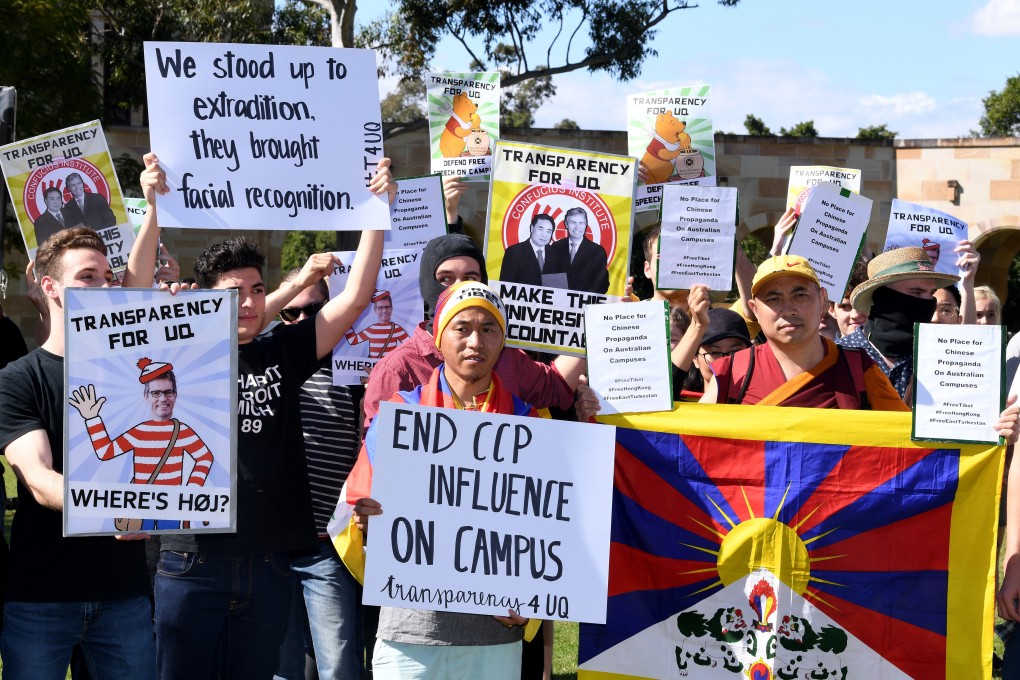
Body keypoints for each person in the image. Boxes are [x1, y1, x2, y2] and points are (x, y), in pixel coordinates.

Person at [136, 152, 394, 680]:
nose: (251, 303)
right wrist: (154, 207)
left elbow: (356, 297)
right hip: (191, 561)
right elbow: (132, 297)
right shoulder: (179, 352)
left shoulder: (284, 349)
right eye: (235, 294)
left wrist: (377, 211)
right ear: (204, 298)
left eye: (258, 290)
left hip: (271, 562)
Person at [342, 282, 533, 680]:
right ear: (439, 338)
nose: (475, 341)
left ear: (502, 342)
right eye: (462, 328)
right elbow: (354, 510)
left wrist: (533, 603)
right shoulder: (400, 417)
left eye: (489, 329)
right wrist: (366, 520)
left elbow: (547, 532)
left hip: (495, 637)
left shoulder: (530, 424)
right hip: (411, 632)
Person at [0, 227, 155, 680]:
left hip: (125, 594)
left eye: (108, 277)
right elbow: (38, 477)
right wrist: (117, 508)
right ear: (50, 287)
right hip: (41, 597)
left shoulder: (137, 376)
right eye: (87, 277)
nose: (104, 286)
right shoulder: (18, 379)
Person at [362, 233, 586, 431]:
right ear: (427, 284)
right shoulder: (396, 369)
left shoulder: (505, 356)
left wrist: (594, 323)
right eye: (445, 279)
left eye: (470, 278)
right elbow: (379, 451)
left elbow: (554, 386)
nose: (458, 287)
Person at [271, 268, 366, 680]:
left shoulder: (355, 373)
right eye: (289, 312)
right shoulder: (265, 365)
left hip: (326, 544)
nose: (302, 319)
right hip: (270, 548)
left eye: (314, 309)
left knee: (339, 663)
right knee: (279, 667)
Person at [700, 255, 909, 410]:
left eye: (800, 295)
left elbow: (903, 443)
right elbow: (694, 443)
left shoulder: (858, 368)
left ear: (822, 301)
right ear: (754, 310)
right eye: (773, 299)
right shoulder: (732, 372)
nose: (789, 309)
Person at [67, 358, 214, 531]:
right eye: (156, 393)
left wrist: (192, 489)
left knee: (171, 538)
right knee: (145, 542)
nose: (163, 398)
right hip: (142, 507)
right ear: (146, 396)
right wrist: (92, 418)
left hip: (172, 505)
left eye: (168, 392)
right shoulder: (139, 431)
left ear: (175, 395)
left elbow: (205, 458)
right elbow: (106, 452)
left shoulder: (182, 431)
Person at [836, 246, 962, 401]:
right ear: (884, 298)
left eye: (931, 294)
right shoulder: (838, 357)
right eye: (916, 293)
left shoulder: (942, 357)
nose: (927, 303)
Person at [547, 207, 609, 294]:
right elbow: (549, 277)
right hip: (558, 299)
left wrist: (583, 298)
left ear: (586, 224)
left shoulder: (597, 251)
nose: (577, 227)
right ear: (566, 224)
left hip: (585, 301)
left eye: (581, 223)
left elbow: (602, 284)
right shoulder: (555, 247)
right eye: (573, 222)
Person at [344, 289, 410, 359]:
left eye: (387, 307)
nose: (384, 311)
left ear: (391, 308)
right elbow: (353, 340)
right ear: (375, 310)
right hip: (374, 365)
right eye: (380, 308)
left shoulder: (396, 329)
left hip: (389, 364)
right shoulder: (372, 329)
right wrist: (345, 321)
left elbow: (410, 345)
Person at [499, 213, 559, 287]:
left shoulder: (555, 254)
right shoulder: (514, 252)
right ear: (531, 228)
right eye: (540, 229)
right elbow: (505, 286)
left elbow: (557, 287)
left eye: (548, 231)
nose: (544, 235)